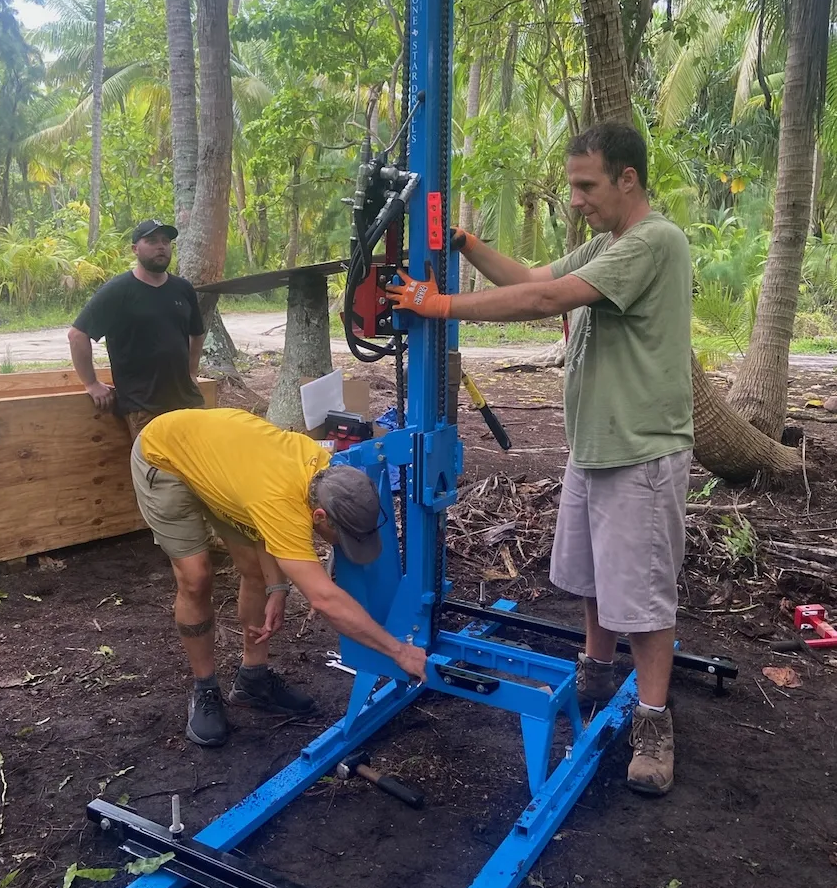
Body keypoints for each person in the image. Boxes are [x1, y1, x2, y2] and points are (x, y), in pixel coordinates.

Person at [387, 122, 693, 797]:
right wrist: (463, 243)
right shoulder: (605, 244)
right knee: (592, 577)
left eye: (586, 185)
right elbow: (528, 277)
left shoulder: (653, 242)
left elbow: (546, 299)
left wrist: (436, 305)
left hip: (641, 449)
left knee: (640, 595)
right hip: (596, 443)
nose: (576, 199)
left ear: (628, 179)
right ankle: (595, 671)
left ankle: (652, 723)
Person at [131, 406, 428, 747]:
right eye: (341, 538)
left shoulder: (322, 467)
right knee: (196, 577)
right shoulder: (281, 502)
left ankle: (252, 682)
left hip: (226, 463)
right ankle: (205, 689)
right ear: (318, 516)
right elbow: (323, 598)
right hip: (163, 455)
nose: (342, 547)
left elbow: (265, 527)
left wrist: (278, 588)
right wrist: (399, 652)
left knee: (258, 572)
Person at [68, 218, 206, 438]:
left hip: (187, 401)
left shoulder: (183, 289)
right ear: (135, 249)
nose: (161, 246)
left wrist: (191, 372)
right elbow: (77, 335)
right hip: (143, 406)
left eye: (165, 241)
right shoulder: (118, 291)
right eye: (151, 241)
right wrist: (91, 383)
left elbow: (197, 333)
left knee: (199, 465)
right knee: (157, 471)